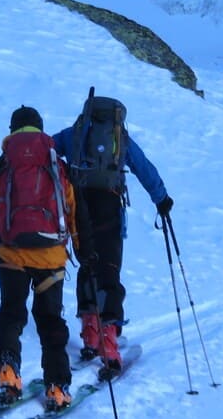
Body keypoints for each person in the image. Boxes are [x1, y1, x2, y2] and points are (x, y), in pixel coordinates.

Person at [0, 105, 80, 411]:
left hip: (11, 253)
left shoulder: (4, 164)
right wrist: (80, 249)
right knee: (51, 320)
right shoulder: (56, 165)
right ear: (40, 129)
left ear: (13, 130)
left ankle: (8, 373)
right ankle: (57, 388)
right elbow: (72, 210)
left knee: (11, 312)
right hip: (51, 257)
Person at [52, 94, 173, 376]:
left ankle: (90, 334)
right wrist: (162, 198)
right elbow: (144, 168)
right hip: (109, 207)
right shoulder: (121, 139)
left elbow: (48, 150)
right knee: (109, 270)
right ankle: (109, 344)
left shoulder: (75, 134)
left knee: (87, 265)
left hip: (79, 209)